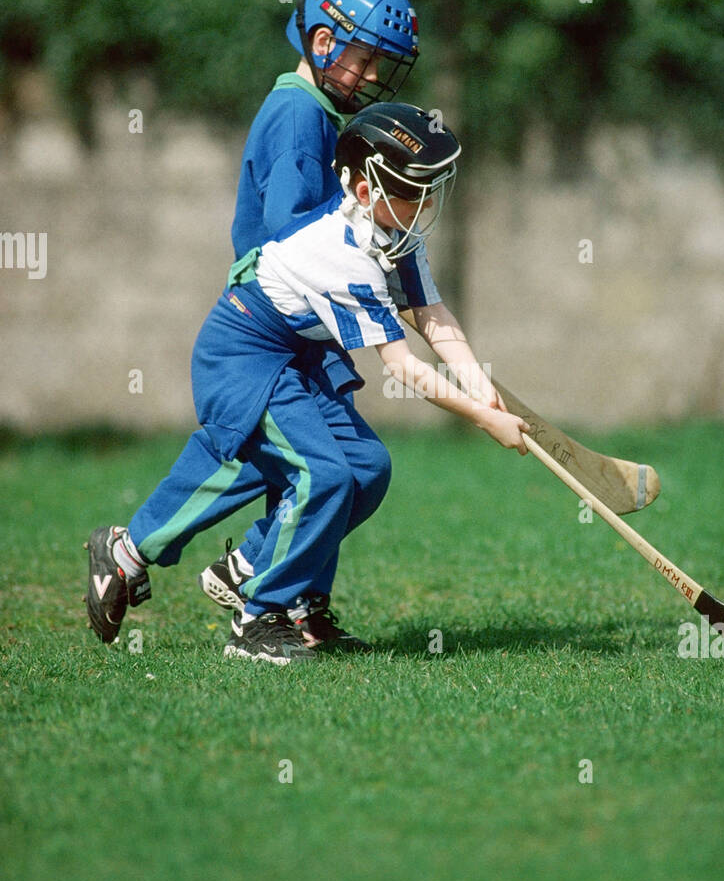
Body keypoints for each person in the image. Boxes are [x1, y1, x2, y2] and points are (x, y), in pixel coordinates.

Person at [86, 102, 528, 662]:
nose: (429, 204)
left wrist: (476, 380)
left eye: (430, 188)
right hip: (243, 355)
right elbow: (404, 368)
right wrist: (486, 419)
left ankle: (243, 567)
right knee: (321, 474)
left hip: (297, 356)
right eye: (413, 190)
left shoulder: (393, 231)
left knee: (366, 469)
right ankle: (258, 616)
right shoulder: (343, 255)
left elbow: (431, 312)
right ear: (365, 191)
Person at [86, 0, 422, 649]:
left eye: (381, 63)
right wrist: (367, 267)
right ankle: (246, 596)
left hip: (304, 335)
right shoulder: (299, 115)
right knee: (295, 466)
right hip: (268, 332)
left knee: (361, 468)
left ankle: (281, 591)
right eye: (364, 57)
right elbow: (292, 231)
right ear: (323, 41)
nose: (372, 74)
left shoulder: (325, 115)